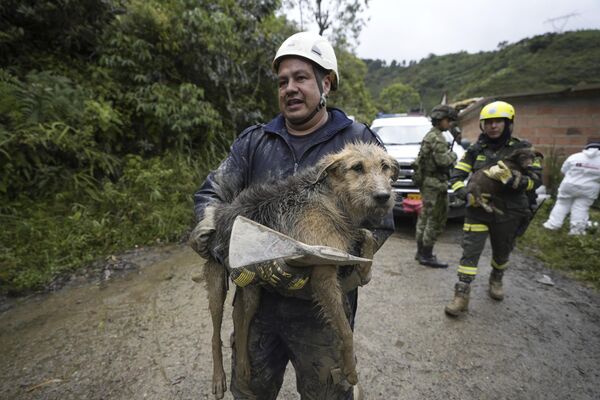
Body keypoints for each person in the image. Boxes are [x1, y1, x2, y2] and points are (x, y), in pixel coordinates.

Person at [190, 31, 394, 399]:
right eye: (283, 81)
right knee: (250, 389)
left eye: (301, 78)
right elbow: (213, 190)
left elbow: (382, 218)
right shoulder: (256, 140)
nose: (290, 88)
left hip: (321, 310)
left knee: (326, 393)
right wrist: (209, 224)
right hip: (258, 299)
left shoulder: (355, 141)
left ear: (325, 83)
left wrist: (345, 260)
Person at [444, 100, 543, 317]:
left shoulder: (523, 148)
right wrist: (466, 195)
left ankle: (496, 278)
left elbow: (536, 181)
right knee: (469, 254)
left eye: (499, 122)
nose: (493, 126)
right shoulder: (475, 150)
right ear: (482, 126)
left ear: (508, 124)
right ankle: (461, 295)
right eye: (488, 122)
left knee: (502, 251)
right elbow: (457, 176)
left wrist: (512, 181)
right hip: (477, 211)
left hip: (510, 212)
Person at [414, 105, 459, 268]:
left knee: (424, 217)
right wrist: (454, 155)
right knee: (435, 219)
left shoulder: (429, 135)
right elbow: (443, 161)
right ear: (441, 120)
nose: (450, 124)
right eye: (448, 121)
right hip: (436, 184)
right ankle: (427, 255)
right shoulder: (438, 137)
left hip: (428, 183)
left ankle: (420, 252)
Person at [543, 142, 600, 235]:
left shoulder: (575, 156)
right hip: (589, 189)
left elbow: (564, 170)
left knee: (562, 204)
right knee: (581, 208)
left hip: (569, 185)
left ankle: (552, 225)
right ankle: (577, 231)